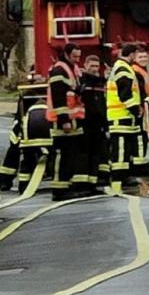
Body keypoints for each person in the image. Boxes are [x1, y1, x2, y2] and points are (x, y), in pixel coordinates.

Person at [46, 43, 89, 200]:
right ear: (66, 54)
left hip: (73, 119)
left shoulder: (72, 69)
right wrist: (64, 120)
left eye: (79, 56)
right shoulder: (59, 70)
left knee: (71, 154)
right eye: (74, 56)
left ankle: (67, 185)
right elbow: (58, 97)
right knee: (61, 154)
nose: (77, 59)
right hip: (62, 120)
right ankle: (59, 188)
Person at [107, 43, 142, 192]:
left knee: (125, 149)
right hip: (120, 116)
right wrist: (136, 109)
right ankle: (118, 181)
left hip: (123, 117)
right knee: (120, 150)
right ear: (132, 54)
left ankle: (124, 178)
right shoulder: (123, 68)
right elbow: (125, 94)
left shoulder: (122, 67)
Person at [80, 54, 109, 185]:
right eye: (91, 66)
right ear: (85, 66)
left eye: (97, 66)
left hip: (99, 123)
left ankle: (99, 178)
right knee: (86, 153)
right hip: (85, 122)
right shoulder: (82, 81)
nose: (94, 69)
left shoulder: (101, 82)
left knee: (100, 152)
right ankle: (85, 181)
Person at [131, 46, 149, 175]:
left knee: (143, 136)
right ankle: (138, 167)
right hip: (140, 108)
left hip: (145, 107)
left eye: (145, 57)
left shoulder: (145, 70)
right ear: (134, 58)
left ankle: (140, 163)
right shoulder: (136, 71)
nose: (143, 59)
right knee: (140, 137)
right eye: (140, 57)